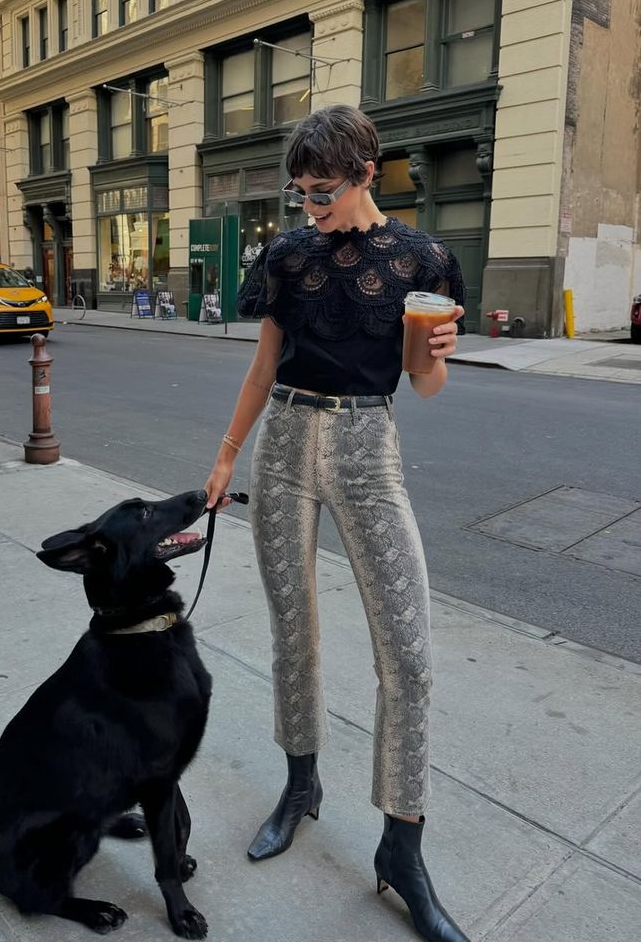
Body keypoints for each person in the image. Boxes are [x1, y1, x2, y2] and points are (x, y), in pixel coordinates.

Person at [204, 104, 470, 942]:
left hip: (364, 443)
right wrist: (223, 456)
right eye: (299, 193)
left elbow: (422, 389)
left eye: (321, 192)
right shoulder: (286, 254)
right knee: (294, 632)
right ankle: (300, 784)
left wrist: (435, 357)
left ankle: (401, 844)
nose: (309, 207)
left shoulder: (422, 258)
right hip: (281, 441)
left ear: (365, 173)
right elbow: (260, 366)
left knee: (409, 653)